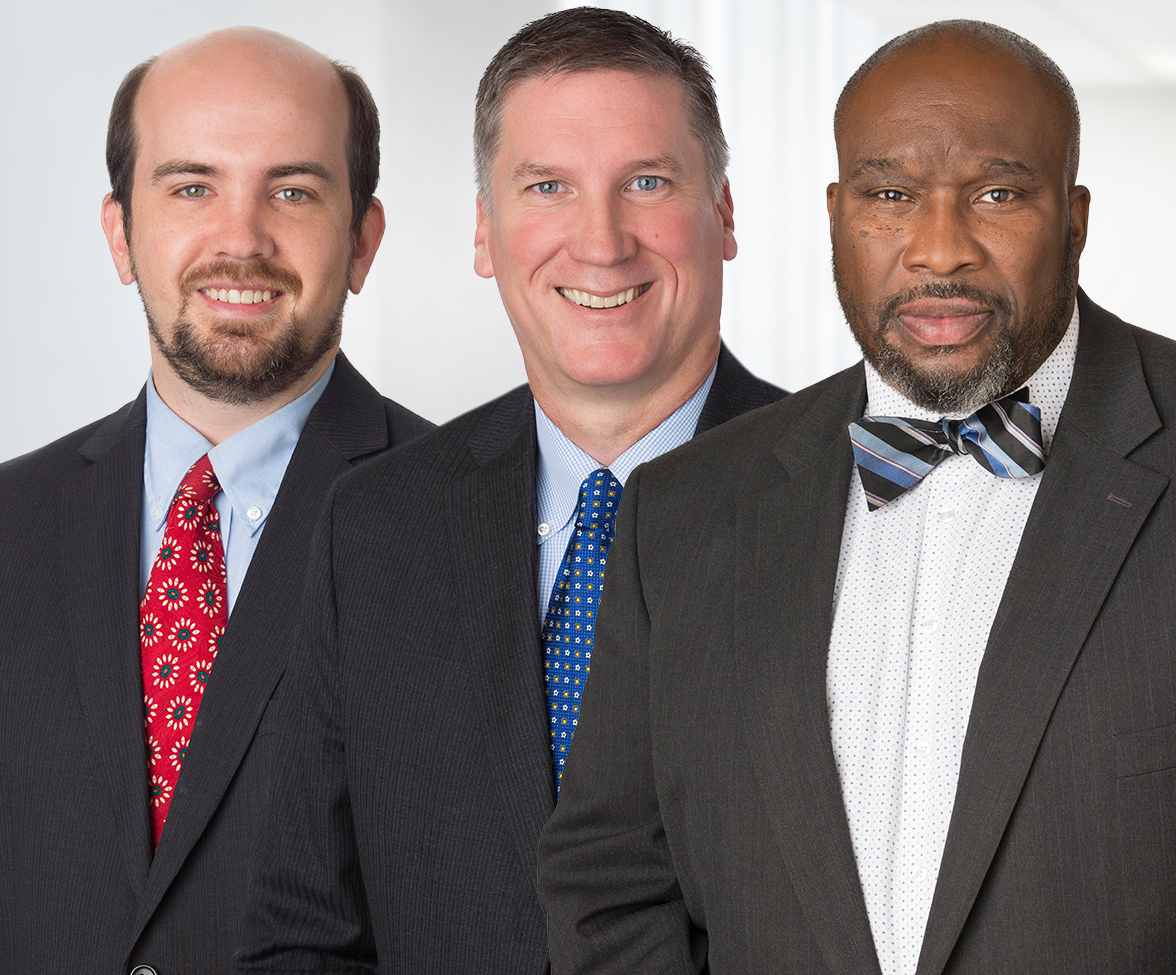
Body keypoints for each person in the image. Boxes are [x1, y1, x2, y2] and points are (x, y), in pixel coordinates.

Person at [538, 19, 1176, 975]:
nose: (938, 250)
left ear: (1074, 219)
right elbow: (611, 882)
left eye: (997, 194)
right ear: (835, 214)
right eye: (890, 195)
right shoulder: (682, 511)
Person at [234, 7, 784, 973]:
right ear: (485, 231)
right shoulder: (375, 528)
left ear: (725, 213)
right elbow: (301, 926)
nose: (600, 241)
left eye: (647, 182)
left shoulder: (859, 497)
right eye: (548, 188)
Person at [0, 28, 432, 975]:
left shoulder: (467, 525)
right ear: (120, 234)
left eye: (293, 190)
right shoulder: (10, 524)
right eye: (192, 187)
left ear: (363, 241)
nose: (241, 239)